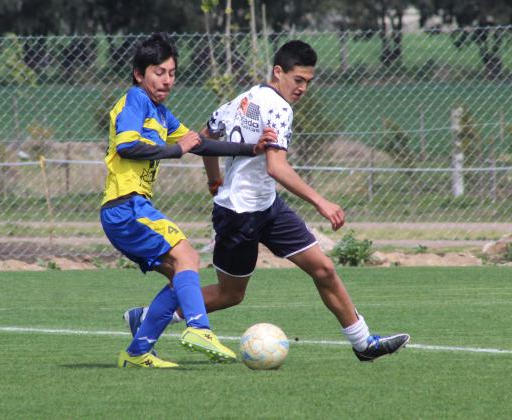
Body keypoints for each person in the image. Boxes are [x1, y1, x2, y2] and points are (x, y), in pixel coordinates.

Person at [124, 40, 409, 363]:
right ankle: (147, 318)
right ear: (278, 72)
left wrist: (214, 179)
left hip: (268, 208)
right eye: (297, 80)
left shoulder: (243, 99)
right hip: (239, 215)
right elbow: (275, 166)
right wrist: (321, 202)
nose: (302, 89)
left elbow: (205, 137)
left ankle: (363, 343)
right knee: (231, 294)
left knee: (324, 269)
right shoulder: (279, 107)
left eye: (307, 82)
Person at [102, 33, 276, 368]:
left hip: (133, 208)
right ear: (140, 74)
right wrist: (174, 150)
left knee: (180, 275)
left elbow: (200, 144)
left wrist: (249, 148)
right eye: (158, 72)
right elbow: (127, 146)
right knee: (188, 255)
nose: (166, 80)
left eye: (171, 73)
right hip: (124, 207)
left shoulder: (161, 113)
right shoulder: (135, 100)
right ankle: (198, 327)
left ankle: (138, 352)